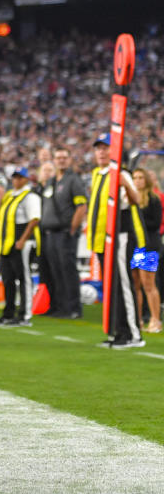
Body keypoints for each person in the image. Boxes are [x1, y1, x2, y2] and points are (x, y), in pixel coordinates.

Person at [86, 134, 144, 347]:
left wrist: (125, 185)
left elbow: (137, 200)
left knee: (123, 284)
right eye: (98, 148)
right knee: (111, 286)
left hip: (120, 237)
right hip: (102, 239)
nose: (101, 152)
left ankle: (133, 334)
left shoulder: (120, 173)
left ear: (115, 151)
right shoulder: (97, 174)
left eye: (105, 148)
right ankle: (117, 331)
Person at [39, 147, 87, 318]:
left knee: (68, 270)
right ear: (53, 160)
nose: (61, 160)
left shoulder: (73, 180)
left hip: (65, 232)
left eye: (64, 158)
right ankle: (58, 306)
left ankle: (73, 308)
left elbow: (81, 207)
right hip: (50, 233)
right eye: (58, 158)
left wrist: (72, 229)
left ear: (69, 160)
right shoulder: (51, 181)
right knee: (54, 271)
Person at [0, 167, 41, 326]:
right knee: (8, 279)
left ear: (26, 179)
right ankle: (8, 312)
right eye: (14, 177)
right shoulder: (10, 196)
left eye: (20, 177)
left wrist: (22, 240)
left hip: (22, 243)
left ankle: (24, 315)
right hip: (7, 243)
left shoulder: (30, 197)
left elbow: (34, 219)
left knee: (24, 279)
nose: (16, 180)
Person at [131, 168, 161, 333]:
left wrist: (136, 224)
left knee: (148, 285)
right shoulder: (130, 199)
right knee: (135, 285)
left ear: (147, 180)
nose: (138, 181)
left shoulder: (153, 199)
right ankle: (138, 319)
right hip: (134, 246)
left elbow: (155, 224)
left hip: (148, 246)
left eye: (141, 177)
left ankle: (155, 319)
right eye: (135, 178)